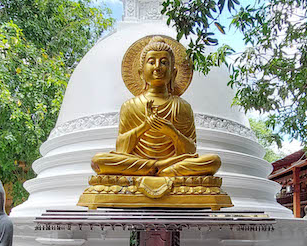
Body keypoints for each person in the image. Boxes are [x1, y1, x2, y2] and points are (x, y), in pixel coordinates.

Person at [91, 36, 221, 177]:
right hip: (141, 162)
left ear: (174, 72)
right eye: (151, 62)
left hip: (172, 162)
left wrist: (171, 132)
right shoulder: (130, 106)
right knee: (99, 161)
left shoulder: (182, 106)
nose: (157, 67)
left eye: (164, 62)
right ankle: (159, 168)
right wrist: (144, 127)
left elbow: (190, 152)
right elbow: (122, 149)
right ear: (140, 73)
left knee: (213, 161)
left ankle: (155, 169)